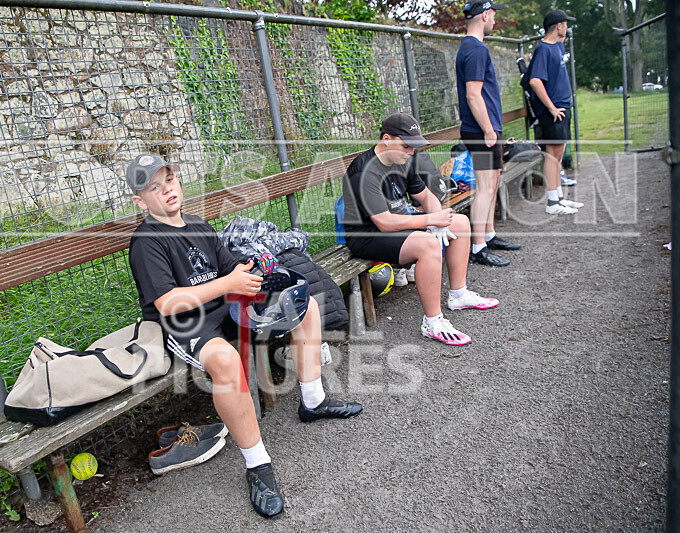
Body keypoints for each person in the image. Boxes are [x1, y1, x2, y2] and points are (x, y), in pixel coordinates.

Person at [126, 153, 362, 519]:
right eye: (153, 188)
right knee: (225, 362)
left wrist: (256, 271)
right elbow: (169, 303)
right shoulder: (147, 241)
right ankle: (258, 466)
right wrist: (229, 282)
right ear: (140, 201)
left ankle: (313, 401)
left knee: (304, 307)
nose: (166, 190)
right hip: (187, 323)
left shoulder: (197, 225)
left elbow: (229, 270)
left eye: (168, 180)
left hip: (226, 305)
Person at [342, 113, 499, 347]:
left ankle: (458, 294)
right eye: (406, 146)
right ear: (386, 139)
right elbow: (384, 222)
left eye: (413, 147)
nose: (411, 152)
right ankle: (433, 322)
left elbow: (425, 196)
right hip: (367, 235)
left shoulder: (403, 161)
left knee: (460, 223)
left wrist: (437, 219)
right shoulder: (364, 170)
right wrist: (429, 220)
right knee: (428, 245)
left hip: (398, 223)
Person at [455, 0, 521, 267]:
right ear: (484, 14)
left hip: (485, 129)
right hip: (481, 131)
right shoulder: (475, 49)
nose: (495, 19)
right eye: (493, 14)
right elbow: (473, 95)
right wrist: (488, 129)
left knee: (492, 183)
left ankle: (489, 235)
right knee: (483, 188)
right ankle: (478, 246)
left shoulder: (473, 47)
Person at [529, 9, 584, 214]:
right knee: (551, 156)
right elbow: (535, 81)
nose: (567, 28)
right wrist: (551, 107)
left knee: (558, 155)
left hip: (563, 107)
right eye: (565, 24)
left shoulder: (558, 48)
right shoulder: (543, 49)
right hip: (553, 111)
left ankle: (559, 198)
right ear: (559, 26)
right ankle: (552, 203)